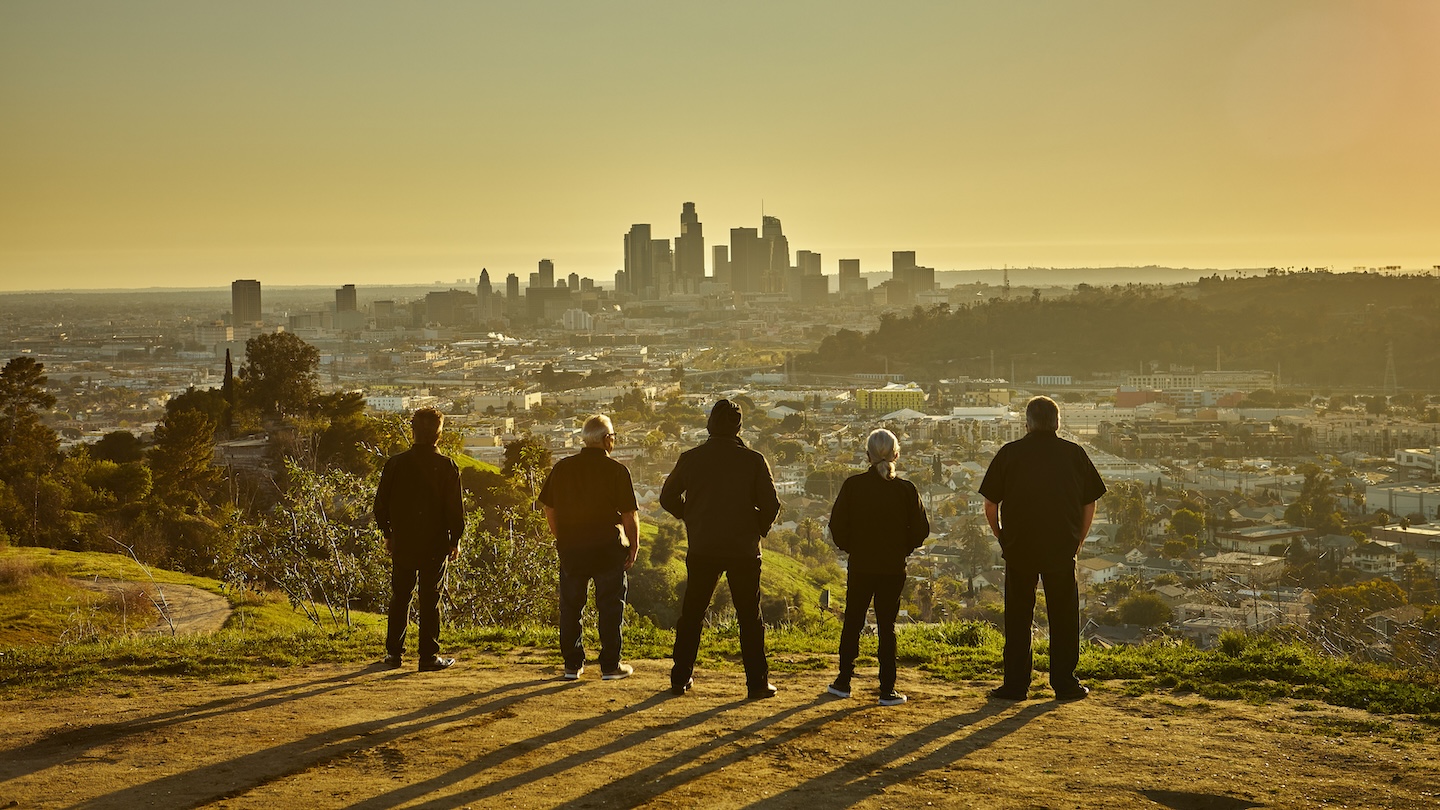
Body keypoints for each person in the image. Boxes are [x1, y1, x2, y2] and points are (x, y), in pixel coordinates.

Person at [978, 395, 1106, 701]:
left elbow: (990, 504)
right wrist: (1080, 538)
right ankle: (1064, 683)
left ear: (1027, 424)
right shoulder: (1074, 453)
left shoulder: (1010, 453)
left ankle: (1015, 685)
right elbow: (1090, 501)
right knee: (1063, 616)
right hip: (1061, 545)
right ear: (1058, 423)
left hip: (1019, 545)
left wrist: (1001, 536)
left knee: (1018, 617)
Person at [660, 399, 782, 699]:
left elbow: (667, 497)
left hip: (703, 546)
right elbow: (772, 505)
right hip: (743, 549)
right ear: (739, 427)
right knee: (749, 617)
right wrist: (757, 528)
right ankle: (756, 683)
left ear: (709, 424)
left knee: (692, 613)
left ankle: (680, 676)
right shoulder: (753, 460)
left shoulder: (691, 458)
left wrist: (690, 516)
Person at [827, 428, 930, 706]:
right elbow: (921, 530)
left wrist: (852, 547)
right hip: (893, 567)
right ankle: (887, 689)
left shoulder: (853, 486)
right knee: (887, 626)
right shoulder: (906, 490)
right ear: (896, 454)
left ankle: (843, 682)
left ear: (867, 456)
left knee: (853, 621)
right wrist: (903, 549)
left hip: (861, 564)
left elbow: (837, 526)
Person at [537, 414, 640, 681]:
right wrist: (633, 545)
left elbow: (549, 507)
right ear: (607, 440)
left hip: (572, 548)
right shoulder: (617, 470)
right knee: (610, 607)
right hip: (607, 549)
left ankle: (572, 665)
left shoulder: (563, 468)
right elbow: (629, 514)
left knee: (571, 607)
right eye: (613, 437)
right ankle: (610, 666)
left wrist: (562, 537)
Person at [373, 407, 465, 672]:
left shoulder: (395, 464)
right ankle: (427, 656)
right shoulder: (447, 466)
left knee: (400, 596)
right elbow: (454, 510)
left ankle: (394, 654)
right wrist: (454, 539)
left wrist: (388, 534)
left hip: (403, 540)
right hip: (435, 542)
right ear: (439, 433)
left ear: (412, 431)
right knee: (429, 597)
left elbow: (380, 505)